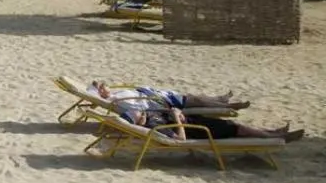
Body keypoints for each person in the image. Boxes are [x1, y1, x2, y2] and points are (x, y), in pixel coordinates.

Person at [120, 104, 303, 143]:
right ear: (136, 121)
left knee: (233, 125)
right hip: (198, 131)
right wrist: (176, 119)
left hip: (196, 121)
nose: (138, 111)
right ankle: (277, 137)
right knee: (237, 129)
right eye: (136, 113)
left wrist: (178, 113)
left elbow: (171, 110)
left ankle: (272, 132)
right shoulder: (153, 128)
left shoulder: (150, 114)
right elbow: (181, 139)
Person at [90, 81, 250, 113]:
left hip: (162, 96)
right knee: (197, 100)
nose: (105, 86)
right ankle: (229, 106)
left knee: (196, 97)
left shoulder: (116, 94)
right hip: (163, 102)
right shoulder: (116, 100)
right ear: (101, 93)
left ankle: (222, 99)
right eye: (102, 87)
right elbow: (139, 106)